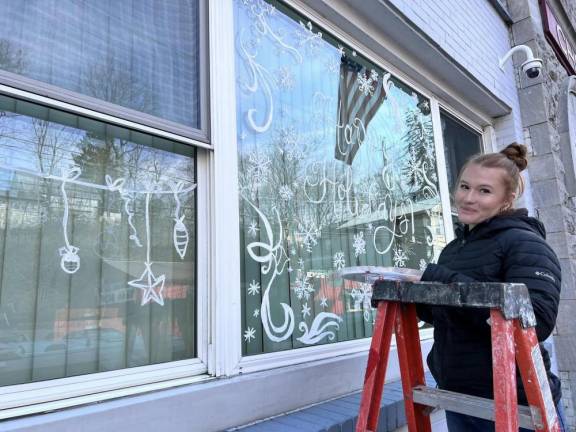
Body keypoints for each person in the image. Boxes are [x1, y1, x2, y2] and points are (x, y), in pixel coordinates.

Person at [416, 143, 566, 431]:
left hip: (519, 406)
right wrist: (410, 297)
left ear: (507, 199)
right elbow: (449, 314)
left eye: (484, 191)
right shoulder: (453, 249)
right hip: (459, 397)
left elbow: (535, 322)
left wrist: (441, 280)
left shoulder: (526, 244)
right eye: (464, 186)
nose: (468, 198)